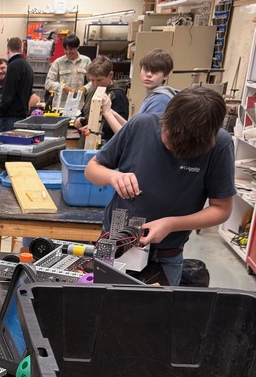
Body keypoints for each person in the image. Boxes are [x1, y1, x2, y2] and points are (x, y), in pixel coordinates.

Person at [85, 87, 235, 286]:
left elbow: (221, 209)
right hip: (114, 247)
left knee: (155, 315)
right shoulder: (141, 125)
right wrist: (113, 176)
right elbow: (92, 169)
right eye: (168, 134)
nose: (169, 144)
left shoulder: (220, 145)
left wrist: (171, 224)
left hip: (166, 256)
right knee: (101, 311)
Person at [74, 57, 129, 143]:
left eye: (99, 80)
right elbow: (84, 112)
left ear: (110, 75)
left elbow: (120, 126)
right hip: (86, 141)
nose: (95, 84)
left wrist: (93, 127)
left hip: (106, 144)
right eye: (92, 80)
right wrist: (78, 121)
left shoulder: (118, 95)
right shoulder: (91, 91)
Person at [0, 36, 35, 134]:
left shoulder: (13, 66)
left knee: (3, 147)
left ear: (8, 49)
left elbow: (8, 94)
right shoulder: (28, 66)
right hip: (21, 117)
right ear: (21, 48)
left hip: (9, 118)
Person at [44, 34, 91, 102]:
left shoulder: (86, 61)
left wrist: (85, 88)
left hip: (78, 105)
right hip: (60, 106)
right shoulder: (58, 62)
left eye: (71, 49)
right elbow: (48, 84)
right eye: (66, 49)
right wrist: (62, 87)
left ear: (77, 47)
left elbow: (93, 82)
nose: (68, 52)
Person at [137, 49, 176, 116]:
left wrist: (111, 116)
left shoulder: (160, 101)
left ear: (165, 75)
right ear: (140, 71)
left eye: (155, 71)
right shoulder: (153, 96)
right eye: (146, 69)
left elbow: (145, 126)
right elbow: (132, 126)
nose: (149, 74)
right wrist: (113, 114)